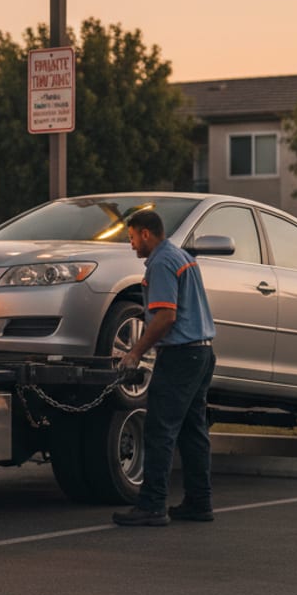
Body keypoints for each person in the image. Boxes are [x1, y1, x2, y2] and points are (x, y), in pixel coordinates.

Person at [113, 209, 217, 527]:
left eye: (132, 238)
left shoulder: (160, 262)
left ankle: (153, 504)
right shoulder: (181, 256)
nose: (131, 245)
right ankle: (199, 503)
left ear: (146, 233)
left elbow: (165, 316)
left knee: (160, 430)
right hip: (202, 354)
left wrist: (134, 353)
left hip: (180, 356)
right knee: (192, 431)